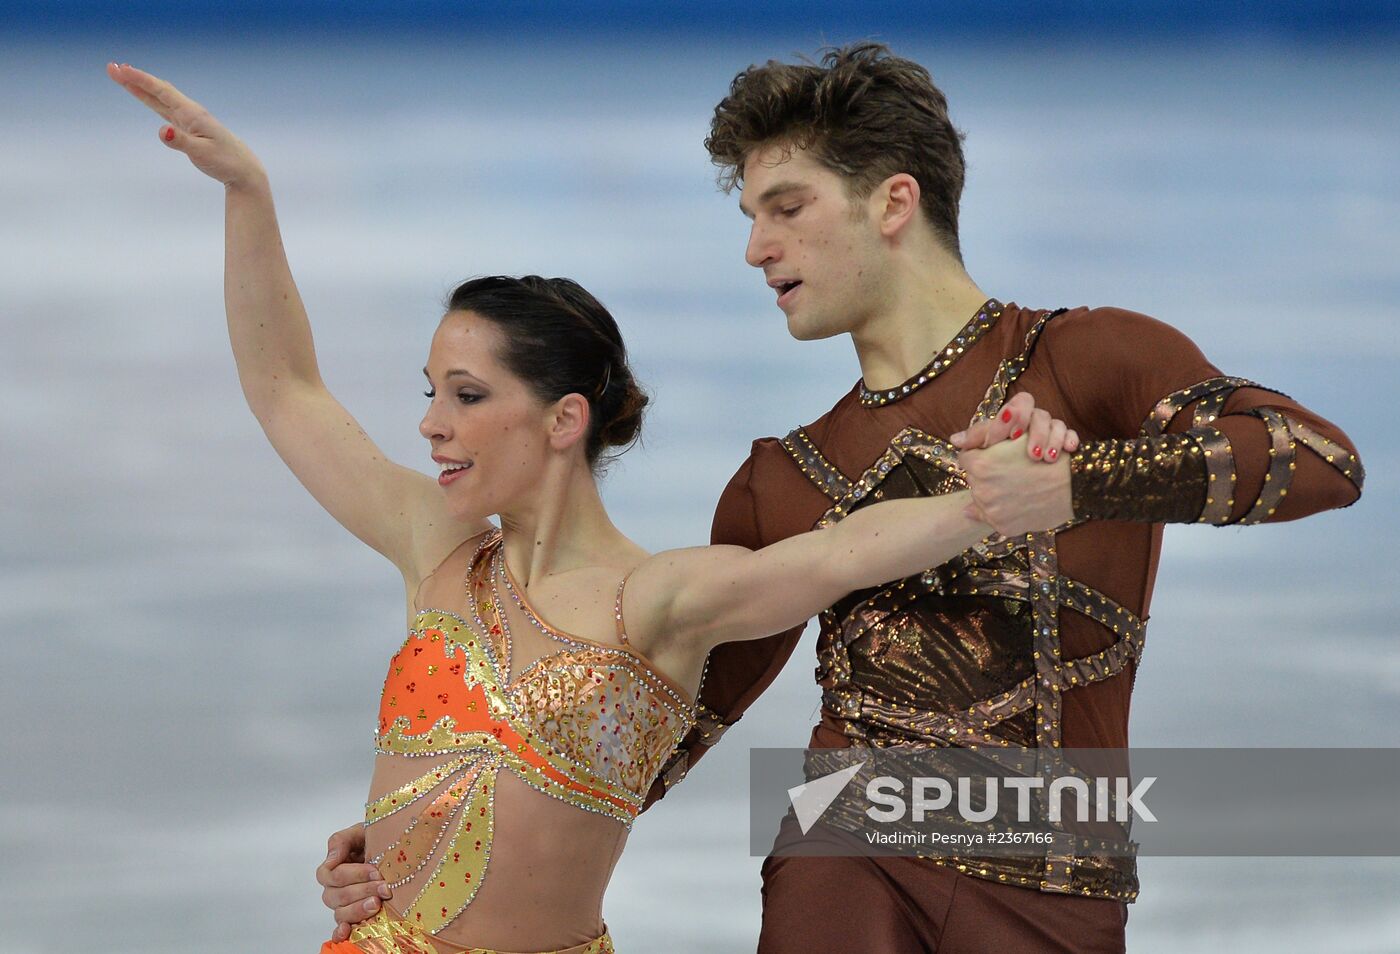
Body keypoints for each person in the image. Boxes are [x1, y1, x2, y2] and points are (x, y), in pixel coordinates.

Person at [322, 42, 1365, 952]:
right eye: (748, 216)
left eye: (786, 208)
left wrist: (1075, 483)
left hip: (1055, 870)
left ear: (892, 201)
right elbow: (635, 737)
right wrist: (423, 838)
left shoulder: (1085, 360)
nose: (754, 247)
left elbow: (1317, 458)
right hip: (842, 854)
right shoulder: (783, 476)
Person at [107, 62, 1080, 954]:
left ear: (563, 418)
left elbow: (829, 559)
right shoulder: (435, 548)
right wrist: (248, 193)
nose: (432, 427)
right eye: (429, 393)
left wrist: (981, 502)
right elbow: (287, 392)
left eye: (468, 396)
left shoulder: (654, 601)